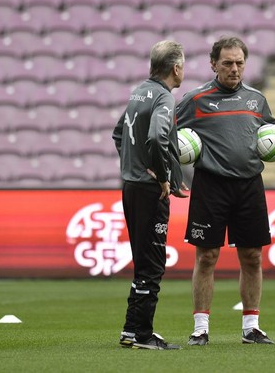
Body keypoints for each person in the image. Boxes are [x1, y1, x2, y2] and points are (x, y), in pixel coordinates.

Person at [176, 36, 275, 346]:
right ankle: (200, 328)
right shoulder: (195, 100)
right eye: (227, 63)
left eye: (239, 63)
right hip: (211, 184)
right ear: (213, 64)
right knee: (207, 256)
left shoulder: (257, 100)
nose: (234, 69)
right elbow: (169, 138)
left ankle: (251, 328)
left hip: (249, 184)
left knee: (252, 257)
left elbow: (270, 135)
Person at [112, 40, 189, 350]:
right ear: (175, 68)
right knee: (153, 264)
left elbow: (118, 134)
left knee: (142, 261)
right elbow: (157, 137)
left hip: (131, 186)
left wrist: (133, 166)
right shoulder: (163, 97)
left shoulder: (138, 93)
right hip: (148, 191)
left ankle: (132, 330)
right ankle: (143, 335)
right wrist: (162, 175)